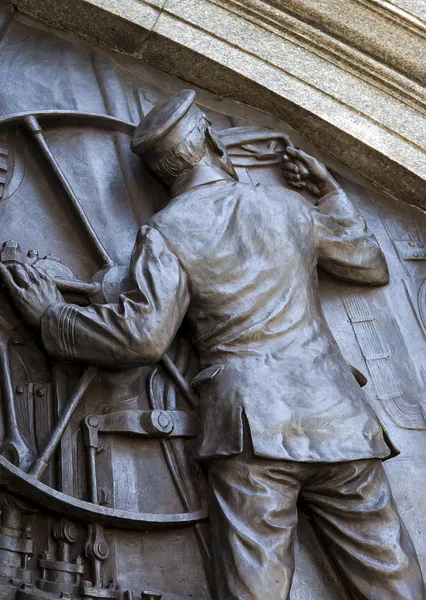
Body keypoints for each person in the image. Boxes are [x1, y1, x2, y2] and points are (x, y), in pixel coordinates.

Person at [0, 90, 424, 599]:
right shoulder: (288, 205)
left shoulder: (169, 230)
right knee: (391, 579)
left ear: (161, 173)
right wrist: (330, 194)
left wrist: (53, 317)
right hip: (342, 421)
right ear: (210, 141)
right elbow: (369, 264)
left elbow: (142, 336)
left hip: (252, 430)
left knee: (254, 587)